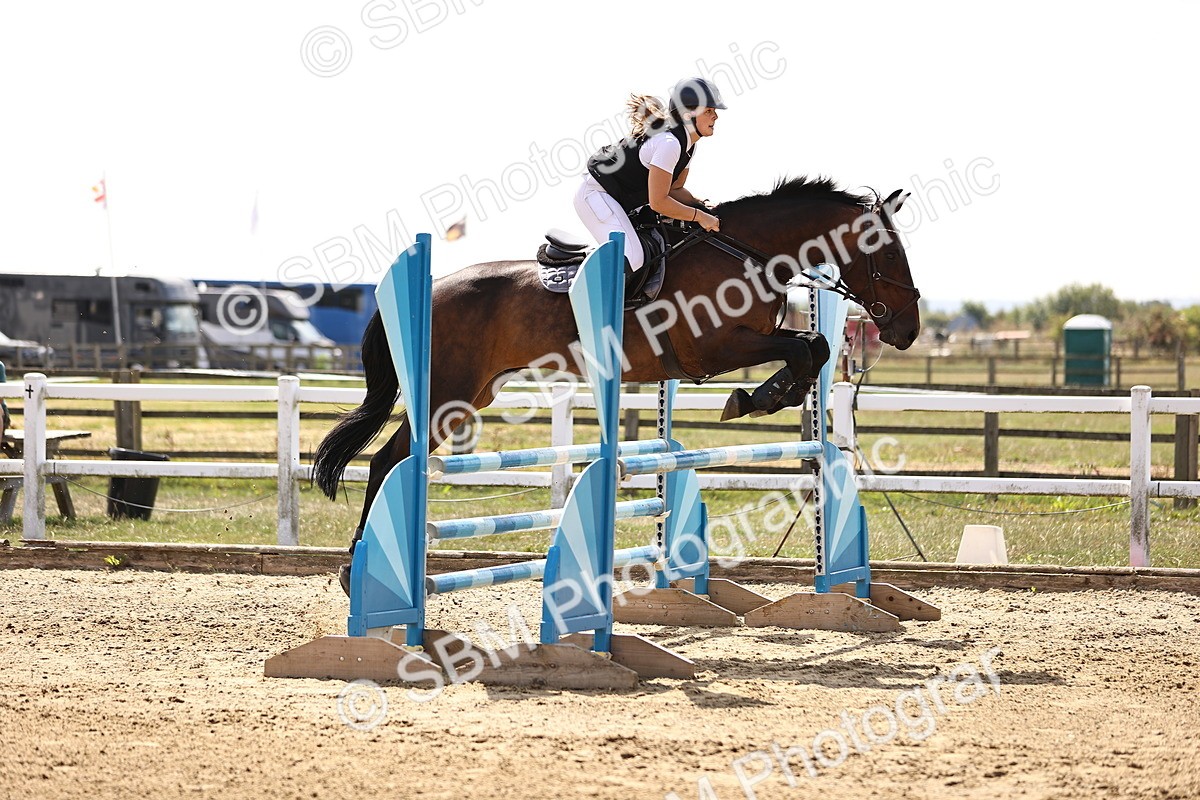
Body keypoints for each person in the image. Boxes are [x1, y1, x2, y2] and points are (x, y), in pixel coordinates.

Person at [576, 77, 724, 292]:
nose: (715, 116)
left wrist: (702, 205)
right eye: (709, 110)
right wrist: (700, 216)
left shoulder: (688, 146)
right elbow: (659, 202)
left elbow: (674, 190)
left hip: (615, 200)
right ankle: (585, 315)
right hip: (595, 195)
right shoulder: (669, 144)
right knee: (634, 258)